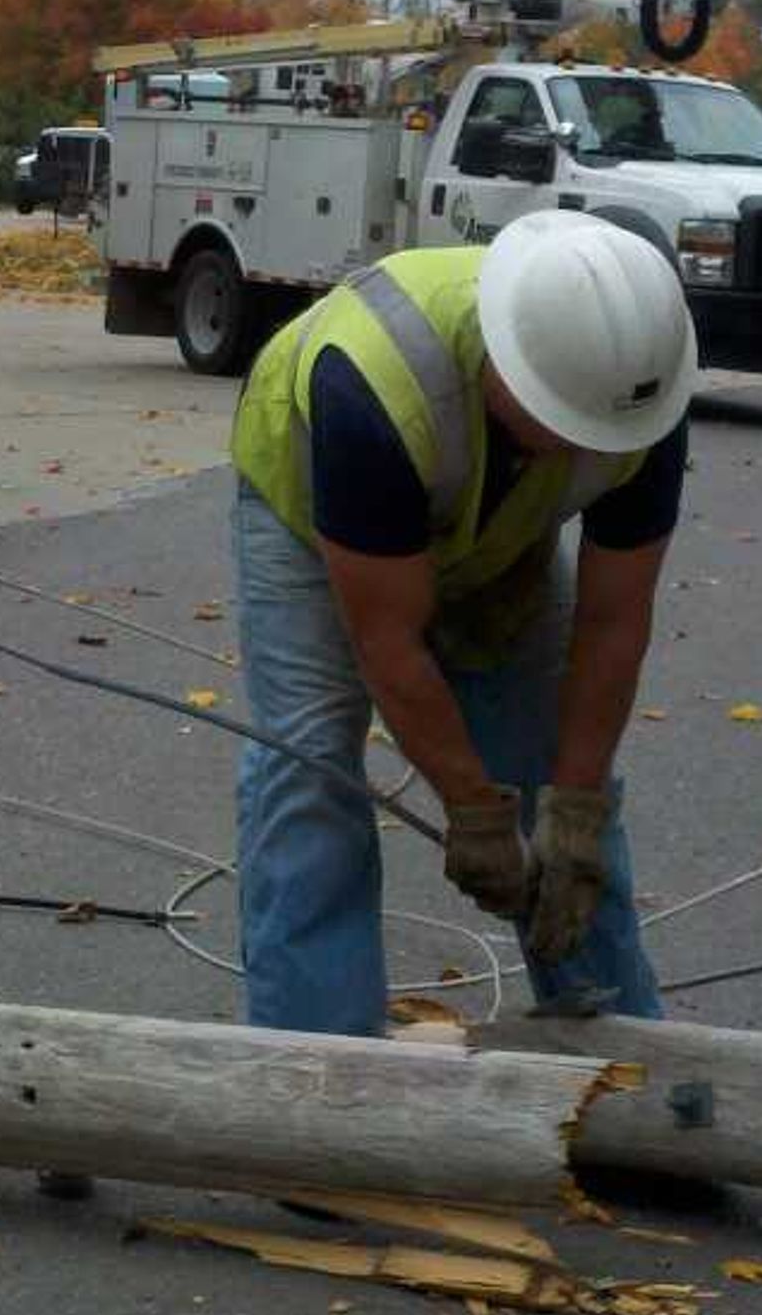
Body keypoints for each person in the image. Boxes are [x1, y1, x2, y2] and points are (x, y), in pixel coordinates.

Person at [225, 210, 696, 1037]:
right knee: (310, 766)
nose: (573, 446)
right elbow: (388, 643)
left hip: (497, 526)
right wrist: (473, 811)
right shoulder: (373, 382)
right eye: (559, 420)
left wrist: (576, 803)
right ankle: (318, 1068)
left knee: (563, 781)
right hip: (312, 513)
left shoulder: (639, 397)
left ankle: (618, 1060)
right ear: (507, 365)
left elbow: (615, 620)